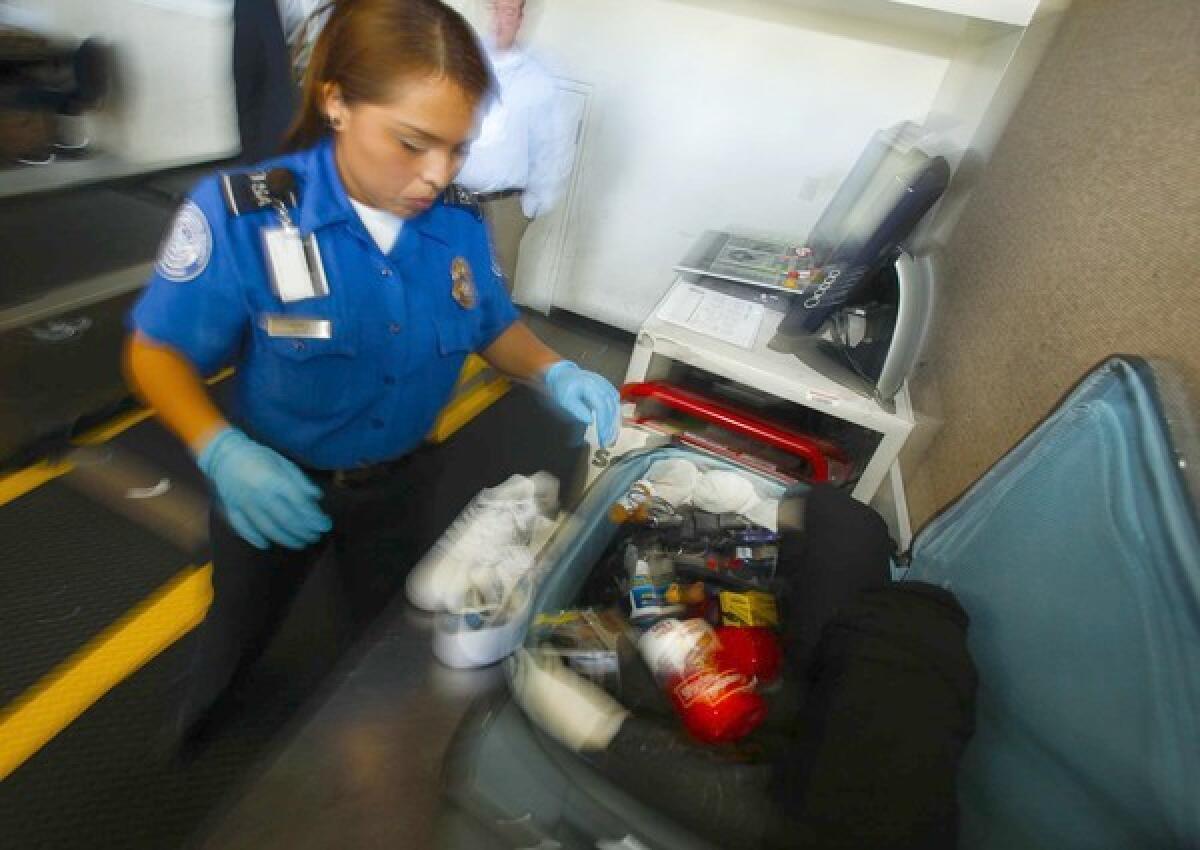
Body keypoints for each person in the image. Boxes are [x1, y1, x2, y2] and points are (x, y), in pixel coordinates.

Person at [124, 0, 620, 747]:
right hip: (273, 477)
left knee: (383, 640)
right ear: (337, 103)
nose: (438, 175)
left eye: (457, 148)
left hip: (398, 482)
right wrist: (219, 450)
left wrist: (555, 369)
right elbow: (155, 351)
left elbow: (489, 323)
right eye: (415, 143)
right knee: (237, 625)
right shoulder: (244, 217)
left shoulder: (456, 217)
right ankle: (200, 722)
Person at [454, 0, 573, 289]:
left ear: (521, 18)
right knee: (441, 286)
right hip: (450, 201)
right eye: (494, 8)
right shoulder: (460, 64)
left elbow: (554, 146)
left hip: (504, 208)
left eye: (508, 11)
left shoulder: (538, 81)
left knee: (494, 297)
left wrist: (529, 208)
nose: (499, 19)